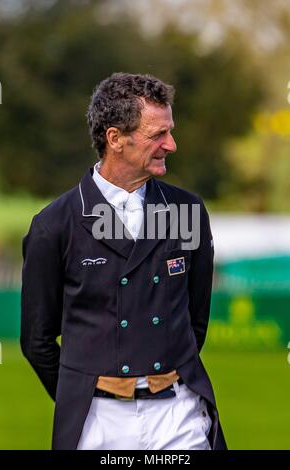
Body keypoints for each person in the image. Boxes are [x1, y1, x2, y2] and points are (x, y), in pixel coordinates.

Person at [21, 72, 226, 450]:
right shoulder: (53, 226)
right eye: (157, 135)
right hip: (96, 423)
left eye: (170, 131)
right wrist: (84, 391)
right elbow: (37, 341)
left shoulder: (189, 211)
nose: (172, 144)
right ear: (115, 138)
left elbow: (196, 319)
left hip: (179, 416)